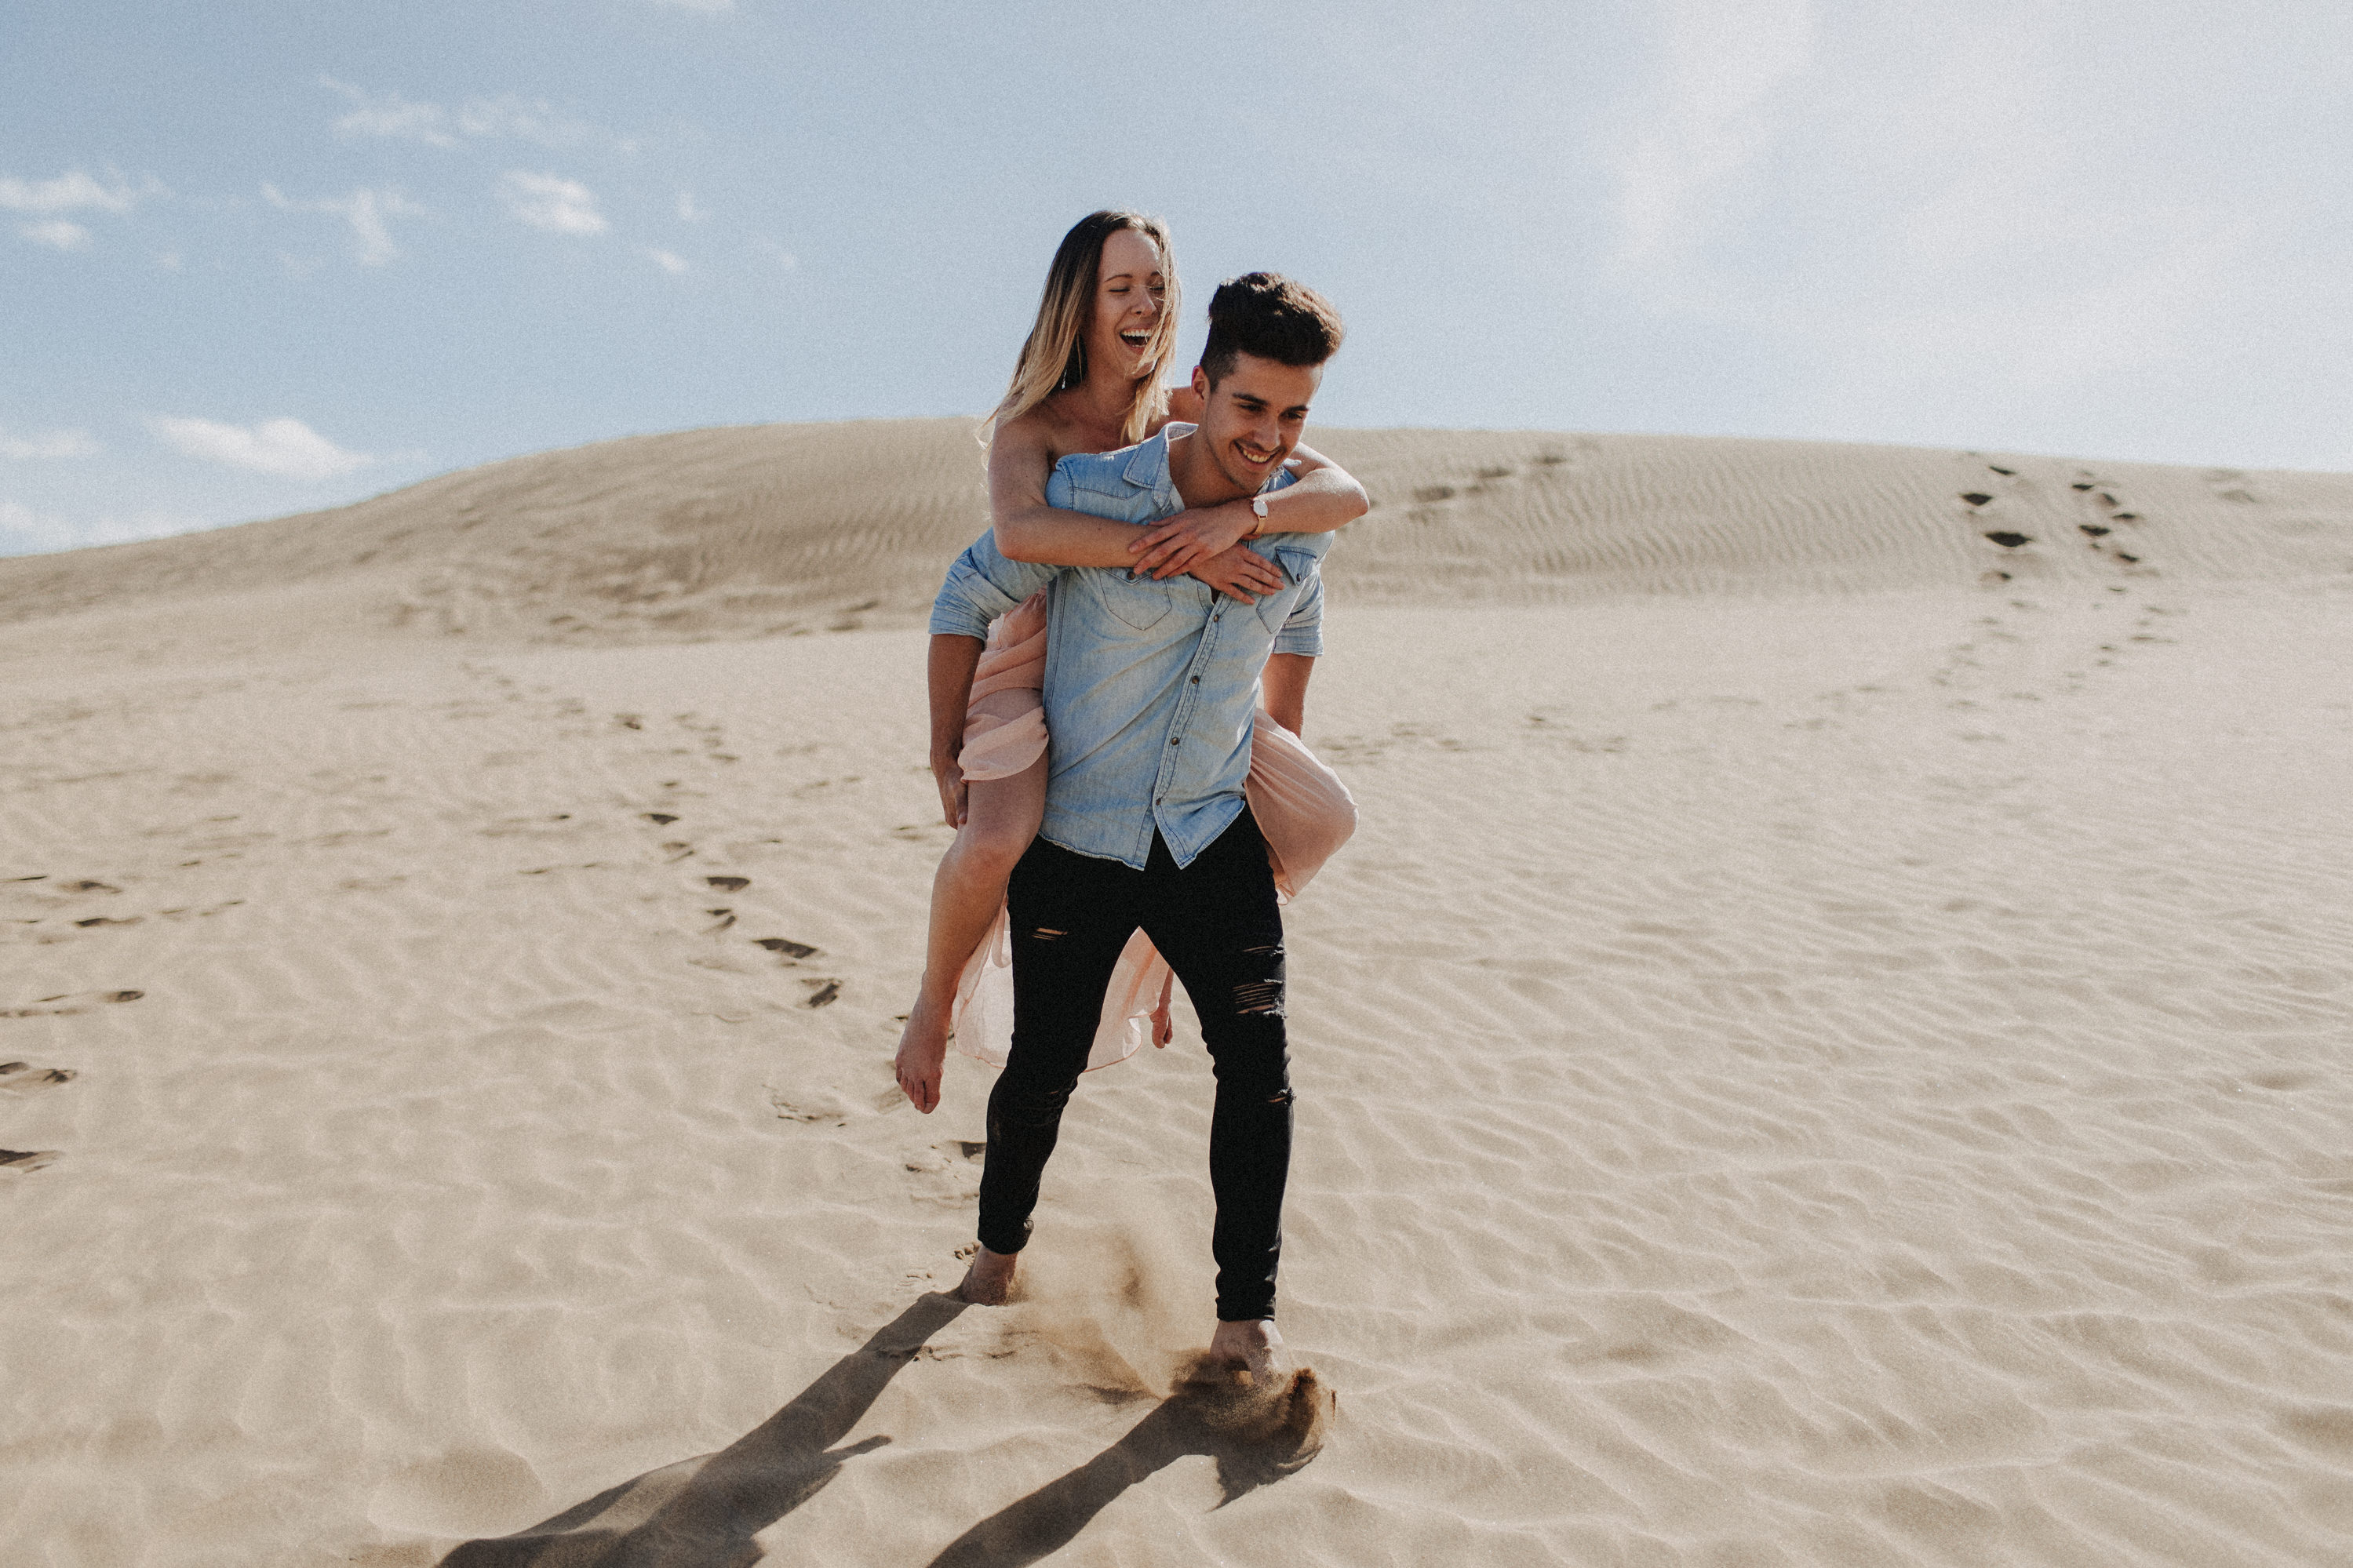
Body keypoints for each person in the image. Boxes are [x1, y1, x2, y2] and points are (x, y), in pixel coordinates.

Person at [924, 271, 1352, 1376]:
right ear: (1198, 386)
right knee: (1041, 1067)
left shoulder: (1297, 527)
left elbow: (1294, 631)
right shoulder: (1097, 498)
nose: (1270, 435)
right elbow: (962, 596)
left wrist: (1272, 759)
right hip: (1080, 839)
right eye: (1250, 405)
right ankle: (995, 1253)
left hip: (1213, 839)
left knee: (1259, 1066)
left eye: (1293, 414)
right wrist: (943, 746)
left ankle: (1242, 1319)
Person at [894, 212, 1362, 1109]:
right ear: (1080, 304)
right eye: (1121, 287)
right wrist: (1186, 546)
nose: (1145, 303)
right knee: (994, 840)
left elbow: (1337, 493)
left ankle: (1159, 978)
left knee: (1293, 822)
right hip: (1030, 654)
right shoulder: (1036, 426)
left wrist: (1235, 521)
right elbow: (1018, 535)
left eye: (1156, 284)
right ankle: (930, 1002)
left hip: (1150, 673)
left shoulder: (1190, 408)